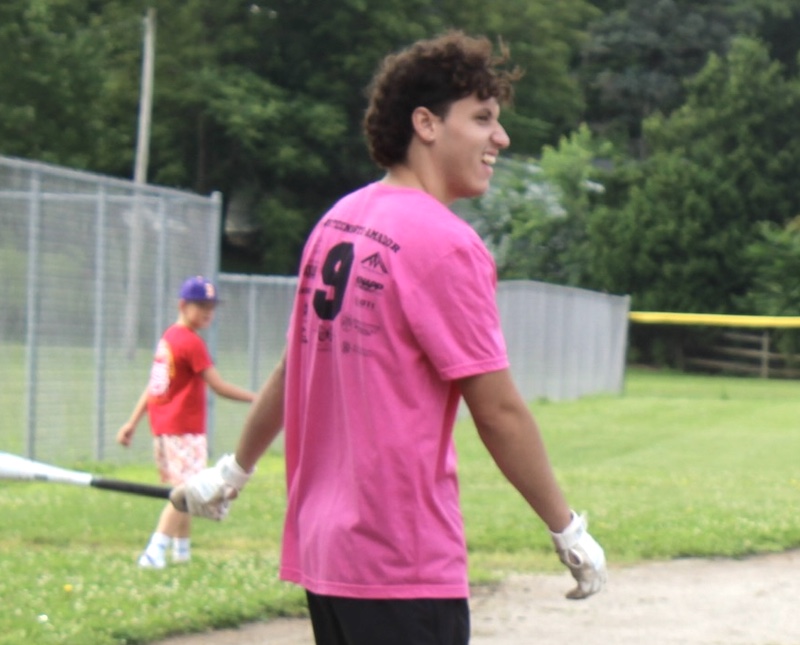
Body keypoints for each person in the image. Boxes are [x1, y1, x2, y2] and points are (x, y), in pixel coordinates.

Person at [172, 31, 606, 643]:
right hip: (402, 563)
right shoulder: (447, 243)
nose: (500, 138)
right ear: (426, 124)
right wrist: (567, 529)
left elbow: (293, 364)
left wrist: (233, 471)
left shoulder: (337, 221)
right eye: (482, 118)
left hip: (328, 558)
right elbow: (499, 411)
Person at [117, 275, 255, 569]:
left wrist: (132, 422)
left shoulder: (169, 338)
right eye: (201, 305)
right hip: (184, 430)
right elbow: (218, 386)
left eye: (212, 306)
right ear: (183, 305)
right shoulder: (191, 343)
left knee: (183, 491)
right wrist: (258, 400)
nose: (208, 312)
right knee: (187, 493)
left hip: (164, 429)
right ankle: (154, 552)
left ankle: (182, 554)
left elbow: (153, 385)